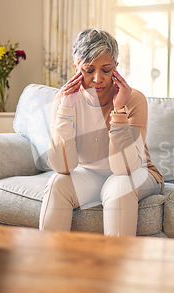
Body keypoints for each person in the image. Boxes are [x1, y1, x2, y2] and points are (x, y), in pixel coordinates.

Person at [39, 29, 163, 236]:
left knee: (119, 186)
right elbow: (63, 166)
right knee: (57, 182)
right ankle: (51, 262)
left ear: (116, 66)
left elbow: (125, 167)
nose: (98, 79)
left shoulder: (133, 99)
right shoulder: (64, 99)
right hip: (91, 175)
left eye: (106, 70)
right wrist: (66, 109)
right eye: (89, 70)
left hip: (137, 173)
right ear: (76, 67)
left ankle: (116, 266)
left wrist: (119, 111)